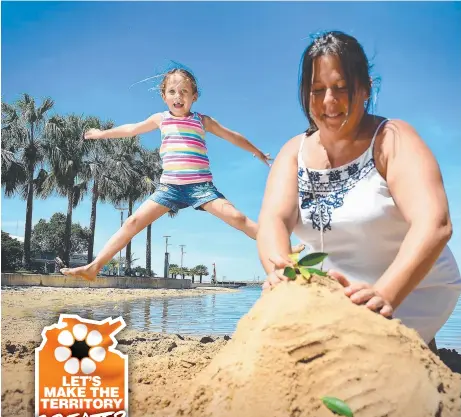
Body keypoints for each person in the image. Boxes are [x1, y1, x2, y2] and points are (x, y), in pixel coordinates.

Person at [256, 31, 461, 345]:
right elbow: (275, 220)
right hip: (338, 291)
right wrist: (281, 270)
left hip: (414, 289)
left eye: (340, 87)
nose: (329, 101)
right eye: (317, 89)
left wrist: (384, 295)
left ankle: (414, 340)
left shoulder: (392, 138)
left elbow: (435, 223)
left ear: (364, 88)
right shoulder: (292, 152)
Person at [62, 67, 302, 281]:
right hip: (169, 188)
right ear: (164, 95)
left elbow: (232, 135)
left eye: (184, 92)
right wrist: (102, 134)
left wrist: (257, 152)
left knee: (238, 218)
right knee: (132, 222)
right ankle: (94, 267)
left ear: (194, 96)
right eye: (173, 92)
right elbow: (131, 129)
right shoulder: (160, 119)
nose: (179, 97)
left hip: (201, 187)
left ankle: (283, 250)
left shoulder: (202, 120)